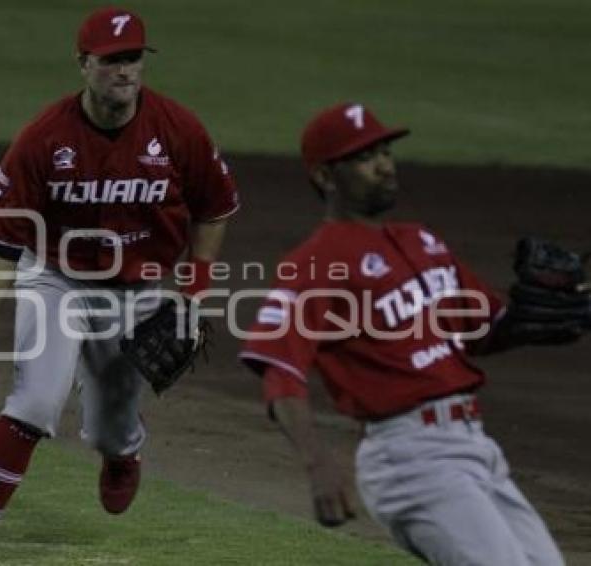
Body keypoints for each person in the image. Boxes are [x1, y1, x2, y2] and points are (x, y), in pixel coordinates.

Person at [0, 7, 238, 565]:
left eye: (132, 59)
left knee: (110, 426)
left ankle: (123, 454)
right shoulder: (43, 138)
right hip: (56, 276)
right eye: (110, 61)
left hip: (138, 286)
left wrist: (196, 288)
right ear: (83, 63)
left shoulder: (178, 129)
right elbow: (1, 243)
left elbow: (215, 207)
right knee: (33, 402)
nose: (124, 72)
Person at [239, 103, 570, 565]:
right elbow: (279, 370)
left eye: (385, 151)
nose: (384, 165)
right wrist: (317, 462)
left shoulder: (421, 241)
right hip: (413, 459)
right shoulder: (315, 263)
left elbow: (483, 330)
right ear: (325, 177)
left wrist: (553, 314)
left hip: (476, 449)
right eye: (363, 157)